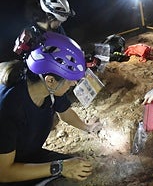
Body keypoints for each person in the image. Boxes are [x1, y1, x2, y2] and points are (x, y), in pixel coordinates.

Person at [0, 32, 98, 185]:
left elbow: (65, 113)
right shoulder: (9, 107)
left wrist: (88, 127)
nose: (73, 84)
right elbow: (4, 173)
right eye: (70, 80)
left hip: (26, 155)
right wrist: (58, 167)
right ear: (50, 80)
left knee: (81, 169)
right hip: (7, 170)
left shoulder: (49, 88)